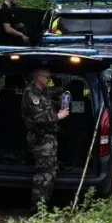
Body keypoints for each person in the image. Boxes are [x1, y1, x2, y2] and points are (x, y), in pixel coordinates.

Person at [21, 67, 71, 210]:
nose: (49, 80)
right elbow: (39, 117)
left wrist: (60, 102)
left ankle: (43, 207)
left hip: (48, 139)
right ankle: (38, 210)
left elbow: (47, 108)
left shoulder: (42, 93)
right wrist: (58, 116)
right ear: (39, 77)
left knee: (50, 172)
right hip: (40, 139)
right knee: (43, 175)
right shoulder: (31, 94)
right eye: (48, 78)